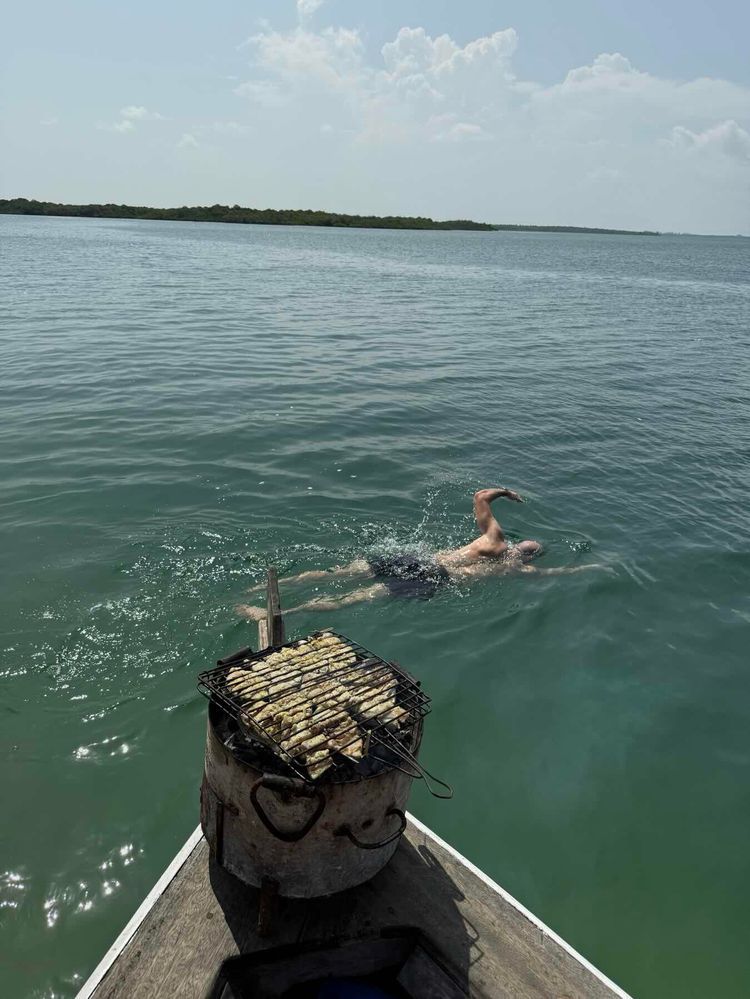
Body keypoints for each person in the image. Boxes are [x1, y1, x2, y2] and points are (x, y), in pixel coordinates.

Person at [237, 487, 604, 620]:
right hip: (436, 580)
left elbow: (480, 496)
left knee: (344, 575)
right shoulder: (514, 569)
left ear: (520, 545)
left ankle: (265, 591)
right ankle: (274, 613)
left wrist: (507, 493)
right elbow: (556, 575)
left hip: (426, 562)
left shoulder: (493, 539)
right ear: (529, 556)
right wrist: (593, 567)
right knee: (356, 596)